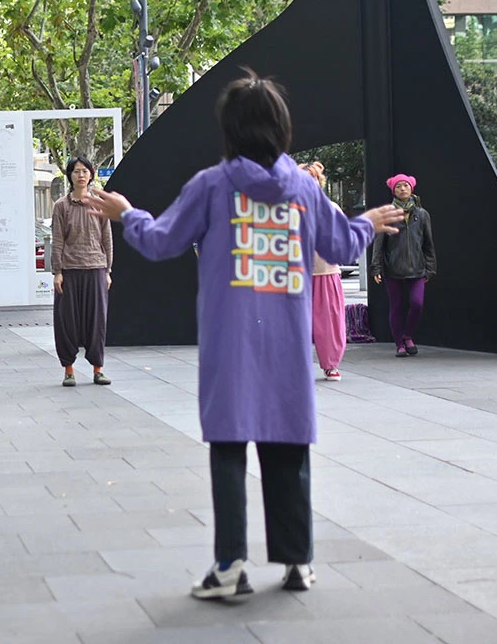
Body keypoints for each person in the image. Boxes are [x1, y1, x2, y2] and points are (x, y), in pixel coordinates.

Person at [87, 70, 403, 599]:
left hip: (230, 343)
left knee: (229, 448)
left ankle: (230, 564)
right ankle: (297, 561)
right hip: (285, 345)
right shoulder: (303, 188)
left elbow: (162, 241)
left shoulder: (212, 185)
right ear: (282, 128)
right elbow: (343, 245)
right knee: (288, 447)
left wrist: (128, 214)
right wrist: (367, 221)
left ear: (229, 129)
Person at [51, 155, 113, 387]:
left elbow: (107, 238)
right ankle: (69, 371)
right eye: (76, 171)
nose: (81, 175)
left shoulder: (99, 204)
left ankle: (98, 370)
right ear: (70, 175)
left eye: (85, 171)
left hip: (96, 267)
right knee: (67, 321)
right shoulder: (61, 206)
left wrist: (108, 270)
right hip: (69, 270)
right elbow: (58, 240)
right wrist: (57, 271)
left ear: (91, 175)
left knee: (97, 321)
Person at [371, 174, 436, 357]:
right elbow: (378, 244)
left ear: (411, 188)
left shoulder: (422, 214)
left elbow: (428, 243)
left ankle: (408, 335)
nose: (402, 189)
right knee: (396, 306)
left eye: (405, 185)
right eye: (398, 186)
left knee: (417, 304)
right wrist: (376, 267)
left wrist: (430, 268)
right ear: (394, 190)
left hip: (417, 268)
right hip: (393, 269)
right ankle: (399, 344)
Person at [300, 161, 346, 381]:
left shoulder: (332, 208)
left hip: (325, 272)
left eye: (313, 179)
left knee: (328, 322)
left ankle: (330, 364)